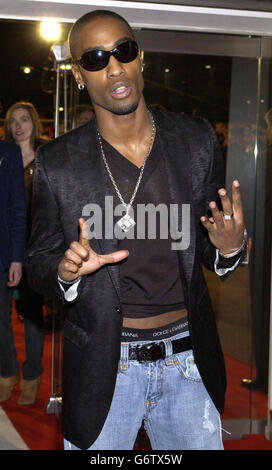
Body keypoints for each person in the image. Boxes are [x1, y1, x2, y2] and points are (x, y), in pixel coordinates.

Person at [25, 10, 247, 450]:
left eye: (123, 51)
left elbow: (208, 241)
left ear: (140, 58)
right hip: (107, 365)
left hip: (188, 362)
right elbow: (38, 263)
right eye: (95, 58)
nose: (114, 67)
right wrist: (66, 272)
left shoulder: (195, 141)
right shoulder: (58, 164)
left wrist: (228, 247)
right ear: (79, 77)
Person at [4, 102, 47, 404]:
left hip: (37, 248)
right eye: (12, 121)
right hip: (8, 246)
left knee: (32, 316)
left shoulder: (46, 157)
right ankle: (7, 371)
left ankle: (32, 374)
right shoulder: (5, 157)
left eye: (23, 119)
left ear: (33, 122)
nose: (18, 126)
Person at [0, 140, 26, 403]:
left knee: (0, 319)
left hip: (1, 253)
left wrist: (17, 258)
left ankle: (7, 372)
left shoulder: (7, 153)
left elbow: (18, 208)